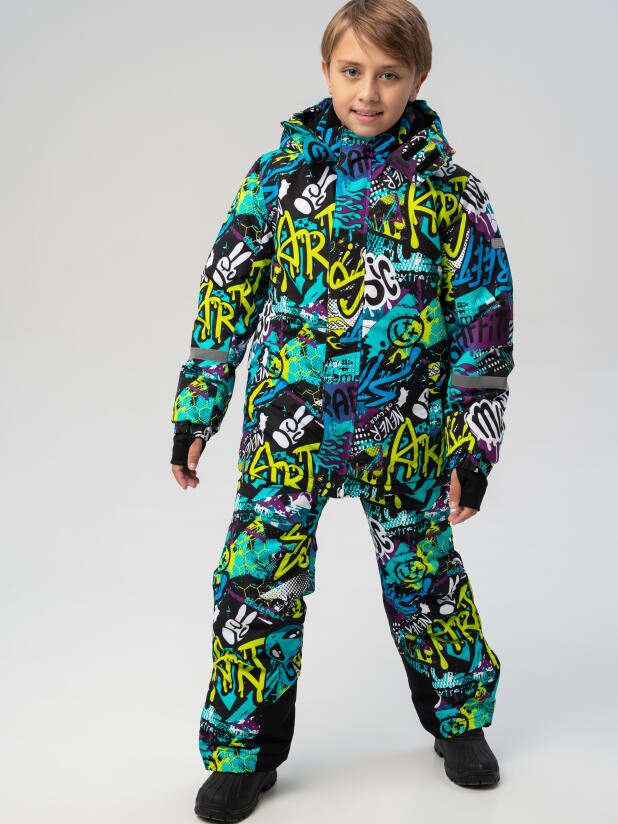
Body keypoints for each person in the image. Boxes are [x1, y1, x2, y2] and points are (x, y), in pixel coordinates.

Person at [170, 0, 514, 819]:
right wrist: (197, 411)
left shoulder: (450, 192)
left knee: (424, 577)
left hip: (407, 430)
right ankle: (244, 752)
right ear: (326, 70)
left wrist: (474, 448)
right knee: (257, 580)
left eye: (389, 75)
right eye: (353, 71)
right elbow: (228, 291)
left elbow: (485, 323)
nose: (368, 92)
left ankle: (460, 719)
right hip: (289, 428)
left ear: (418, 78)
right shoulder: (278, 178)